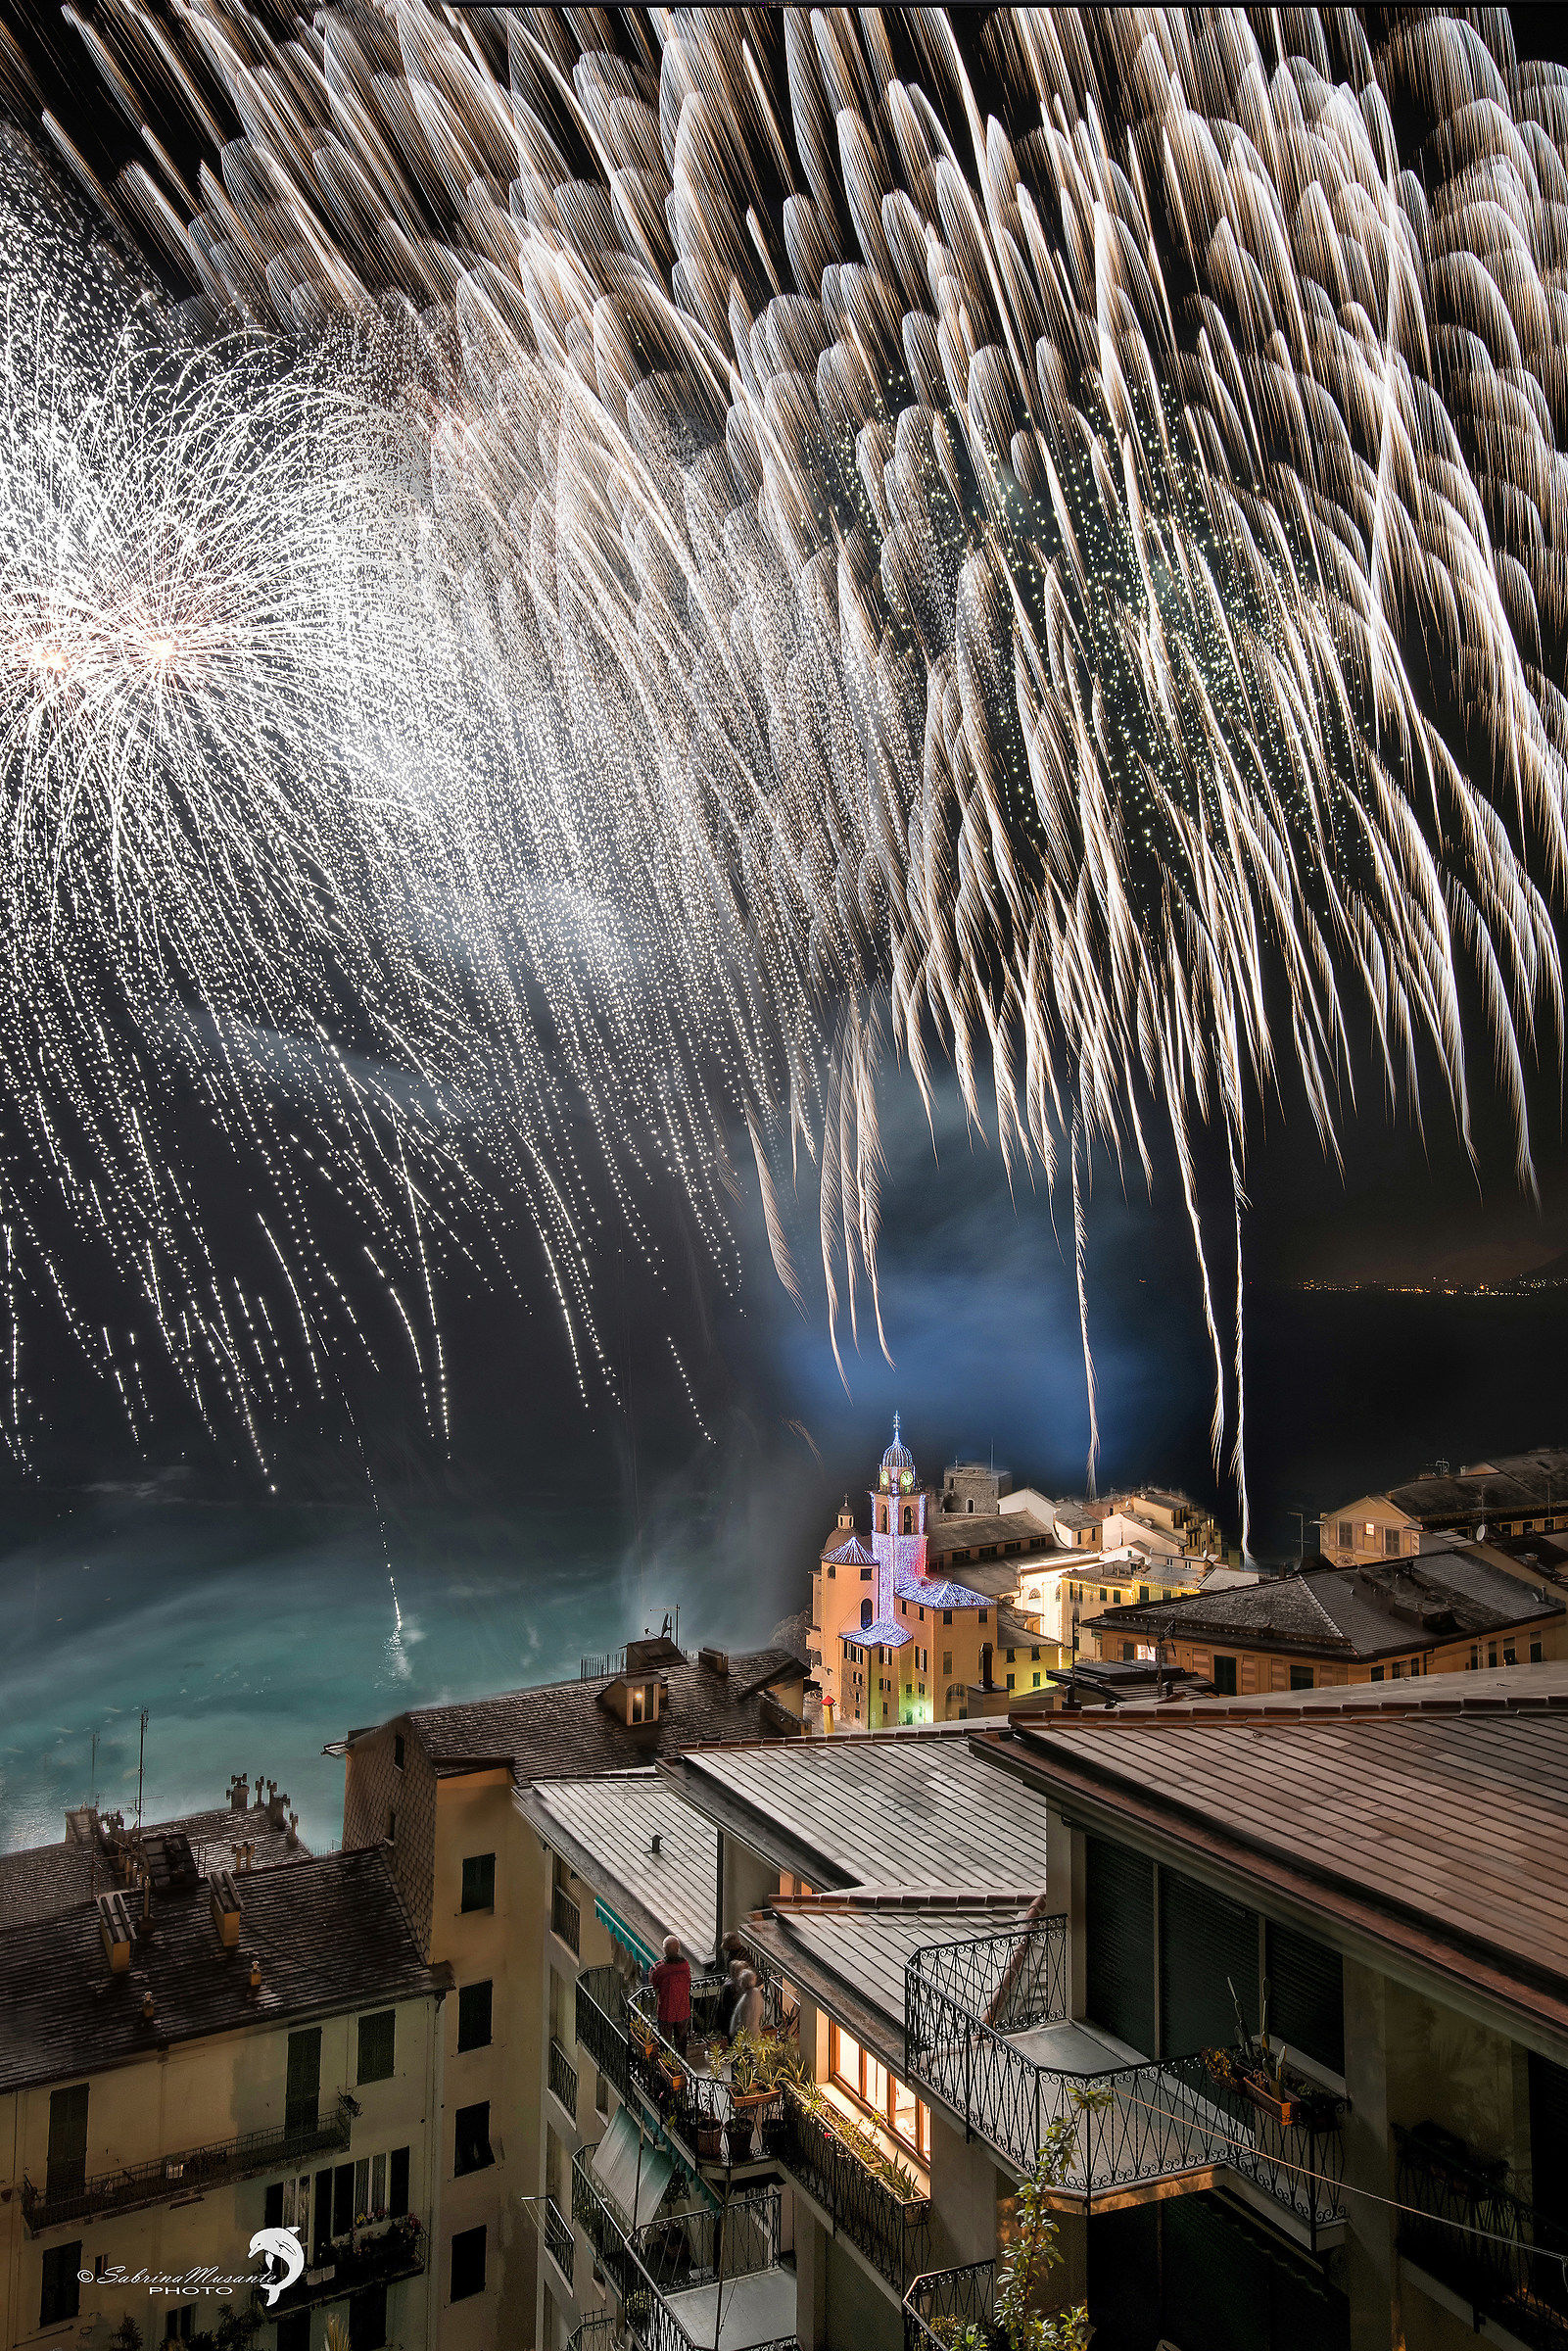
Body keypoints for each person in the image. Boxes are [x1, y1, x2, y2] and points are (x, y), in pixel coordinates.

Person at [649, 1935, 692, 2057]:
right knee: (682, 2042)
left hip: (666, 2011)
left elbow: (654, 1981)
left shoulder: (660, 1969)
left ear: (665, 1950)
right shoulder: (685, 1966)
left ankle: (667, 2067)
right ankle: (682, 2066)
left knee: (665, 2043)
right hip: (683, 2009)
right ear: (678, 1949)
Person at [731, 1966, 764, 2040]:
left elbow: (743, 2021)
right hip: (755, 2034)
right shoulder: (756, 1993)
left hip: (746, 2037)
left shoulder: (746, 1999)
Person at [718, 1956, 747, 2039]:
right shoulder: (743, 1986)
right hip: (736, 2020)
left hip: (732, 2021)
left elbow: (723, 2006)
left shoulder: (728, 1986)